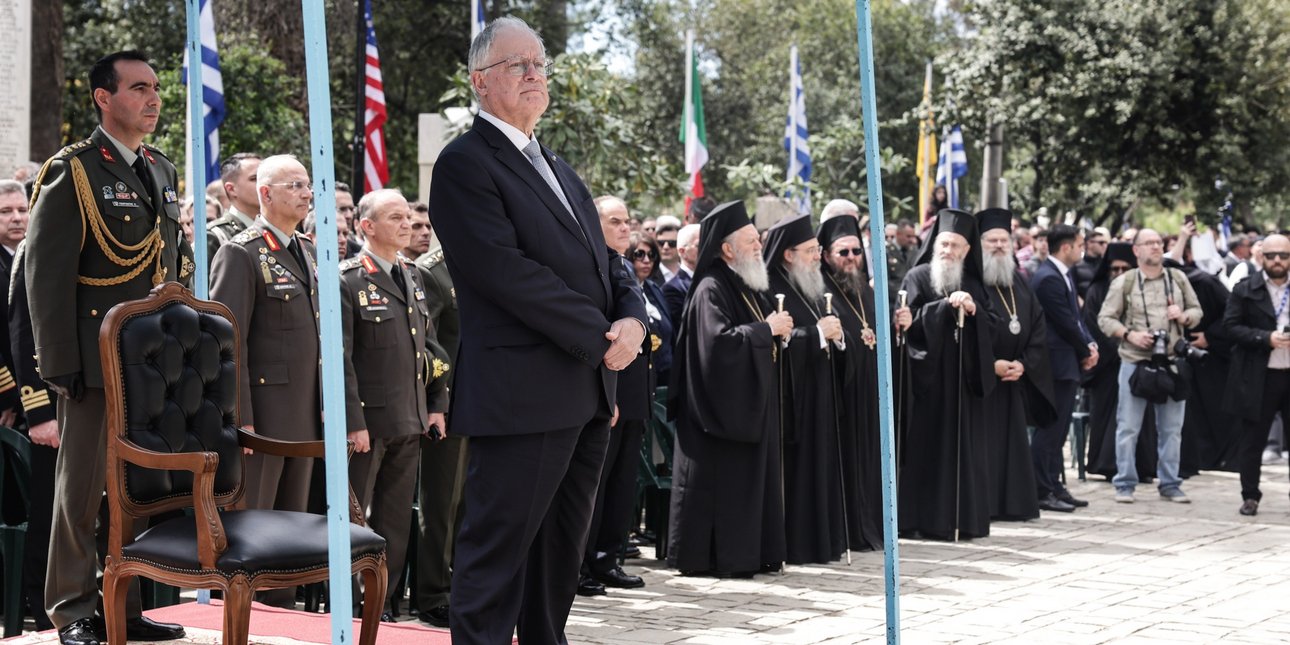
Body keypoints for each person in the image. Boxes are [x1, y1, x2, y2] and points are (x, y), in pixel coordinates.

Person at [428, 17, 646, 644]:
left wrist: (631, 317)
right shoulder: (465, 164)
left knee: (559, 559)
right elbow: (507, 274)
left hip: (583, 391)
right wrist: (606, 335)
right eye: (516, 64)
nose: (533, 74)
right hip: (521, 394)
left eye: (539, 64)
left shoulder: (556, 164)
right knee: (496, 558)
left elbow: (607, 261)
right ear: (480, 81)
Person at [26, 50, 191, 645]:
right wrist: (59, 366)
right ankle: (71, 609)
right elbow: (45, 279)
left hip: (151, 363)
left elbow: (170, 266)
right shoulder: (72, 170)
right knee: (82, 493)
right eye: (138, 88)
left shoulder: (161, 170)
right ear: (103, 97)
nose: (152, 99)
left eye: (155, 88)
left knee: (136, 491)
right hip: (94, 363)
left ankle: (125, 605)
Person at [208, 154, 321, 605]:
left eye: (308, 185)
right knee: (253, 530)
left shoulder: (308, 250)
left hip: (304, 414)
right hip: (262, 419)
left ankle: (283, 617)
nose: (306, 193)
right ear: (266, 195)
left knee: (290, 536)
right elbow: (225, 342)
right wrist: (240, 420)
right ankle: (239, 619)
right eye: (295, 185)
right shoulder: (241, 251)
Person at [339, 189, 449, 620]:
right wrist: (352, 419)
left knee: (395, 518)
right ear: (367, 226)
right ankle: (348, 602)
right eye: (395, 217)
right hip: (367, 421)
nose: (407, 224)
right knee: (354, 519)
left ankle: (381, 601)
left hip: (410, 415)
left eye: (408, 216)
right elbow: (340, 358)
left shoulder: (413, 274)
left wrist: (435, 403)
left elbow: (431, 349)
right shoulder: (348, 278)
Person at [668, 200, 789, 575]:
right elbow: (718, 347)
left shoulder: (745, 285)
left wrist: (775, 332)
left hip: (747, 411)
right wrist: (767, 331)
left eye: (758, 240)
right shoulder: (710, 288)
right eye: (751, 241)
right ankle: (719, 557)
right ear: (726, 248)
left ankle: (752, 552)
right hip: (716, 418)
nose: (759, 247)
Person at [898, 209, 996, 540]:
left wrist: (973, 310)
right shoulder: (918, 277)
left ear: (967, 251)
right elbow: (906, 323)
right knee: (926, 450)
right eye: (943, 244)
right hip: (927, 384)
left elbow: (992, 326)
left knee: (962, 451)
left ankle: (963, 519)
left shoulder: (974, 284)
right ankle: (920, 520)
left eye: (955, 246)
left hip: (963, 384)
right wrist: (943, 308)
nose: (947, 251)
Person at [763, 214, 848, 564]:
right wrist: (817, 335)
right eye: (811, 250)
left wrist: (837, 336)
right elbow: (778, 340)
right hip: (791, 398)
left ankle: (821, 542)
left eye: (817, 250)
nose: (817, 257)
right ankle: (797, 544)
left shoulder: (813, 286)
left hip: (820, 394)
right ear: (788, 254)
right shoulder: (770, 289)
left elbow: (830, 333)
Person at [579, 196, 651, 596]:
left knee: (622, 485)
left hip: (633, 396)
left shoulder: (623, 265)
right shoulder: (593, 264)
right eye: (615, 221)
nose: (625, 228)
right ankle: (582, 564)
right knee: (595, 486)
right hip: (609, 394)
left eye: (627, 221)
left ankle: (608, 557)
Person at [1097, 228, 1202, 504]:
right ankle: (1125, 483)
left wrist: (1183, 316)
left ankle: (1170, 483)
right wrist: (1129, 334)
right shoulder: (1126, 282)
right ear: (1136, 250)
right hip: (1135, 360)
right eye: (1149, 243)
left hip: (1171, 362)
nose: (1155, 247)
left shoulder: (1177, 278)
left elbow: (1197, 311)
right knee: (1128, 426)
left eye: (1158, 242)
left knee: (1172, 429)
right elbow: (1105, 319)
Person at [818, 215, 896, 551]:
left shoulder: (866, 289)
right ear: (826, 256)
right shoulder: (822, 293)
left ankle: (874, 526)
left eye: (856, 251)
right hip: (843, 395)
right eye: (843, 252)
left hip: (871, 394)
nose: (851, 258)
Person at [977, 209, 1054, 520]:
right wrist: (990, 363)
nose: (998, 245)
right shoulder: (972, 283)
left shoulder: (1020, 282)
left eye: (1003, 240)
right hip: (982, 382)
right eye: (991, 240)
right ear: (979, 245)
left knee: (1012, 445)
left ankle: (1012, 504)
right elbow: (972, 333)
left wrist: (1023, 364)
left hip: (1013, 381)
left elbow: (1037, 327)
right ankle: (986, 505)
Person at [412, 204, 466, 629]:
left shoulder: (481, 263)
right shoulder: (431, 270)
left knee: (470, 502)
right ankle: (432, 592)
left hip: (485, 403)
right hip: (449, 404)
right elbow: (427, 345)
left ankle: (463, 586)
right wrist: (436, 402)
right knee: (441, 502)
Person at [1030, 223, 1096, 512]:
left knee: (1058, 431)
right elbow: (1064, 322)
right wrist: (1085, 349)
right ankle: (1041, 489)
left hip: (1068, 360)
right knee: (1050, 430)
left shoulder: (1062, 275)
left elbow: (1077, 319)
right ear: (1066, 246)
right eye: (1080, 244)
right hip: (1056, 363)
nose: (1082, 249)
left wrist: (1090, 344)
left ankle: (1056, 485)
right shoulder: (1047, 278)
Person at [1222, 234, 1290, 516]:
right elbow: (1230, 327)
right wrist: (1265, 338)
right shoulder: (1244, 288)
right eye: (1271, 255)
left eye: (1283, 256)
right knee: (1252, 440)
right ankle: (1250, 495)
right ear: (1261, 256)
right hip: (1258, 376)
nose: (1277, 260)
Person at [1081, 243, 1157, 480]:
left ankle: (1142, 467)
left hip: (1138, 362)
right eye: (1114, 269)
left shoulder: (1143, 289)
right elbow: (1094, 326)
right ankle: (1108, 465)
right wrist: (1121, 347)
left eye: (1125, 268)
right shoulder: (1097, 291)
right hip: (1107, 367)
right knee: (1109, 416)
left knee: (1139, 418)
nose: (1119, 273)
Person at [204, 152, 260, 264]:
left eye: (266, 178)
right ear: (231, 189)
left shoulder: (278, 229)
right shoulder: (215, 236)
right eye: (254, 178)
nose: (264, 183)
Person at [663, 223, 699, 327]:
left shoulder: (711, 280)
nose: (705, 249)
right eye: (698, 245)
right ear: (682, 251)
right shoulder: (672, 288)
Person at [887, 218, 919, 307]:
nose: (911, 240)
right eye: (908, 236)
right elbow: (885, 282)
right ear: (898, 234)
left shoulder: (914, 251)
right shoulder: (886, 252)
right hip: (892, 303)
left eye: (913, 236)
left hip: (911, 303)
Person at [1075, 227, 1108, 298]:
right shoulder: (1076, 267)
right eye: (1101, 243)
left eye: (1106, 243)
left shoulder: (1107, 266)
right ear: (1089, 243)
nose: (1105, 246)